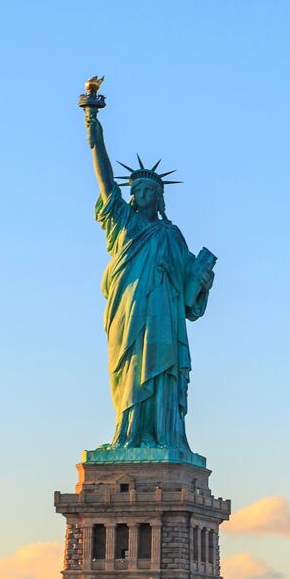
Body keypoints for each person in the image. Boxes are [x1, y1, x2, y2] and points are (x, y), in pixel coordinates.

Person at [83, 105, 215, 452]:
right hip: (129, 310)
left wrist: (202, 279)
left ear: (159, 196)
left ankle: (164, 436)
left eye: (149, 191)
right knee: (130, 369)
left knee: (164, 373)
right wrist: (94, 131)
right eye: (137, 190)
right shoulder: (122, 223)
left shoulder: (171, 234)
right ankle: (128, 434)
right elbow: (105, 179)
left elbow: (190, 289)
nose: (142, 195)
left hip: (164, 317)